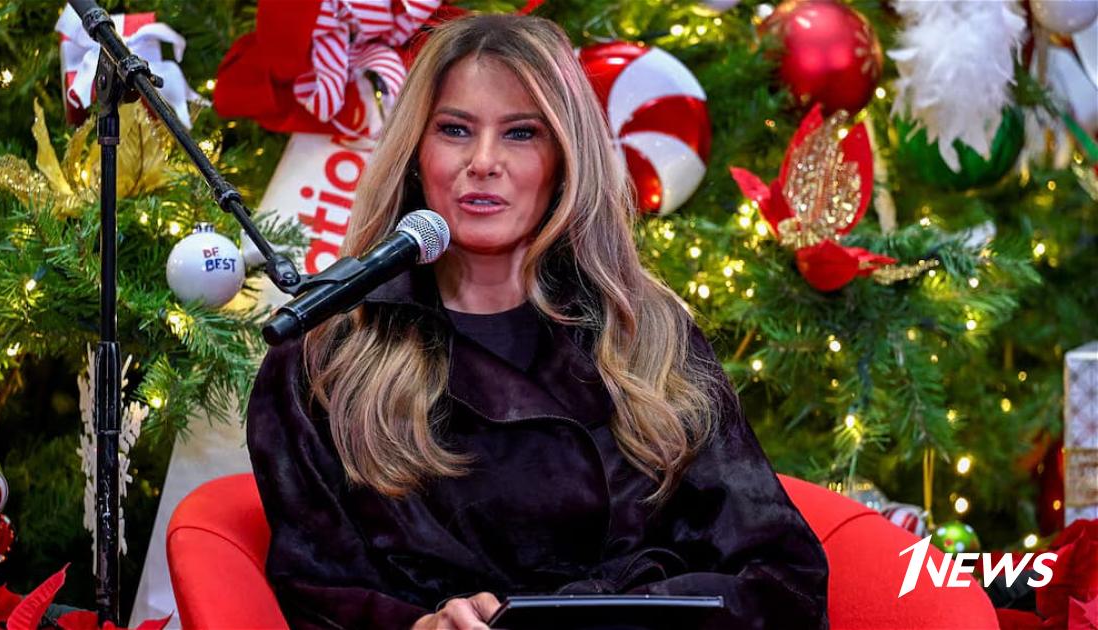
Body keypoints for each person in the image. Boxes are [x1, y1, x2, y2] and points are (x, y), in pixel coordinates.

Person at [247, 13, 829, 630]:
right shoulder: (327, 357)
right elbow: (316, 592)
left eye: (521, 133)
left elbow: (782, 575)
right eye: (454, 130)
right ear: (415, 152)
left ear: (565, 161)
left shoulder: (653, 338)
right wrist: (420, 626)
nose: (483, 162)